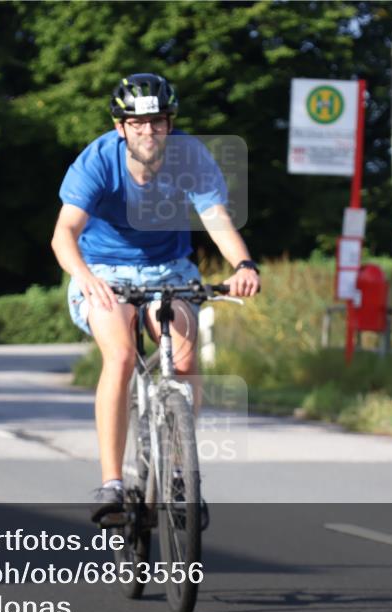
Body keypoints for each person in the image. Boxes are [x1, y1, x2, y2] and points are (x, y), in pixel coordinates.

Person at [50, 73, 261, 522]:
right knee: (122, 355)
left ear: (170, 123)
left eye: (158, 121)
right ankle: (112, 483)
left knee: (183, 360)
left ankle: (181, 475)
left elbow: (215, 218)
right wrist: (84, 277)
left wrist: (243, 265)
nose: (149, 131)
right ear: (121, 127)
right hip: (103, 270)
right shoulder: (98, 160)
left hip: (169, 270)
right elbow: (64, 233)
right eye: (138, 123)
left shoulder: (189, 157)